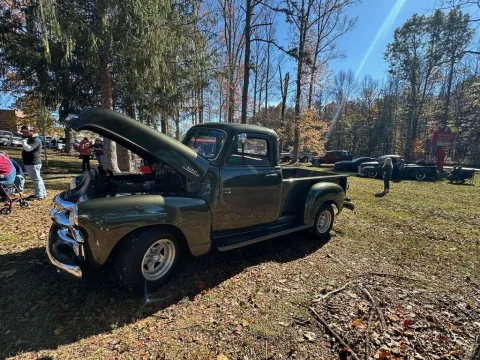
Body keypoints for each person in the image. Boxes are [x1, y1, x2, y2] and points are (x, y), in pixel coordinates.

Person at [20, 125, 47, 200]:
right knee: (38, 179)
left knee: (36, 179)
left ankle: (39, 195)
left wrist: (24, 143)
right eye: (23, 132)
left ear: (31, 131)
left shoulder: (36, 140)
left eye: (26, 132)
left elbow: (29, 149)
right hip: (30, 163)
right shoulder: (30, 139)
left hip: (33, 162)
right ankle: (42, 193)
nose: (24, 133)